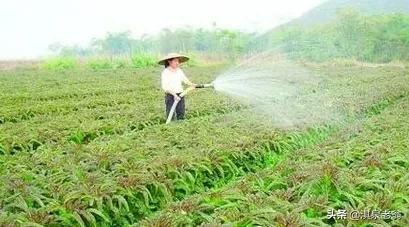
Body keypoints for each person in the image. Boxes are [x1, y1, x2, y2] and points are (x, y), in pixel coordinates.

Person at [158, 53, 197, 121]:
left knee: (181, 112)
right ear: (169, 61)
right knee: (170, 113)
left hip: (180, 94)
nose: (177, 63)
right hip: (170, 96)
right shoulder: (165, 72)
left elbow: (185, 80)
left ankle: (181, 125)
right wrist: (174, 95)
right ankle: (170, 127)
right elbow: (165, 87)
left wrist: (192, 84)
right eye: (175, 61)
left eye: (178, 61)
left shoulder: (179, 71)